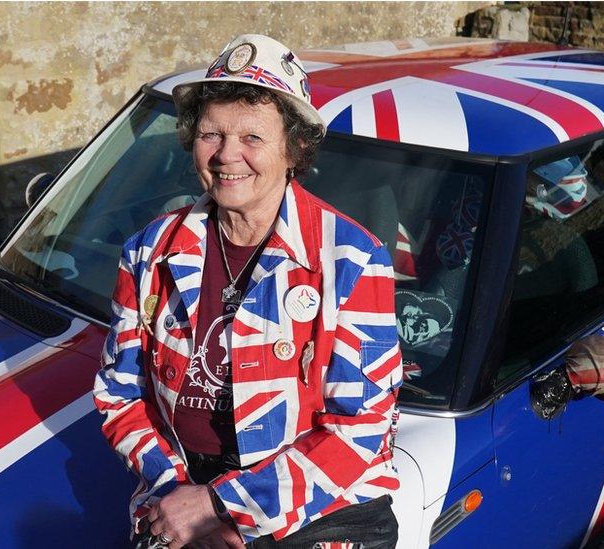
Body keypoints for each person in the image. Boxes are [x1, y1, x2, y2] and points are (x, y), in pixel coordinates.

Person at [93, 34, 402, 549]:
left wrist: (226, 507)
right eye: (211, 134)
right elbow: (119, 394)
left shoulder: (352, 260)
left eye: (252, 138)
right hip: (179, 498)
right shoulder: (148, 252)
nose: (227, 155)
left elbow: (360, 431)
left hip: (318, 509)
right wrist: (183, 500)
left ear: (293, 150)